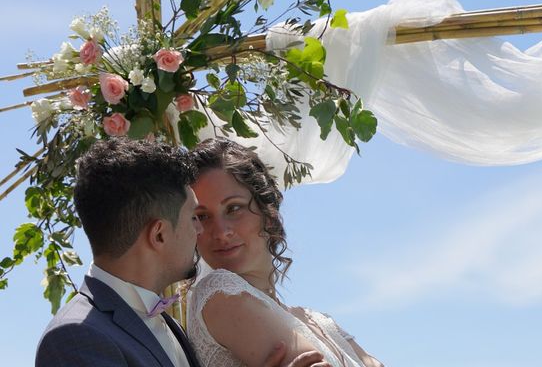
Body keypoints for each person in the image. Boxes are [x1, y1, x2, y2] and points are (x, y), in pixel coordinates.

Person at [35, 137, 329, 367]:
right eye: (194, 217)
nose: (202, 232)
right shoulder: (76, 337)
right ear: (159, 234)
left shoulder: (170, 326)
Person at [188, 138, 384, 367]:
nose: (221, 233)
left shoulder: (320, 321)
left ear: (268, 213)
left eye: (234, 208)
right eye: (202, 216)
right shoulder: (217, 293)